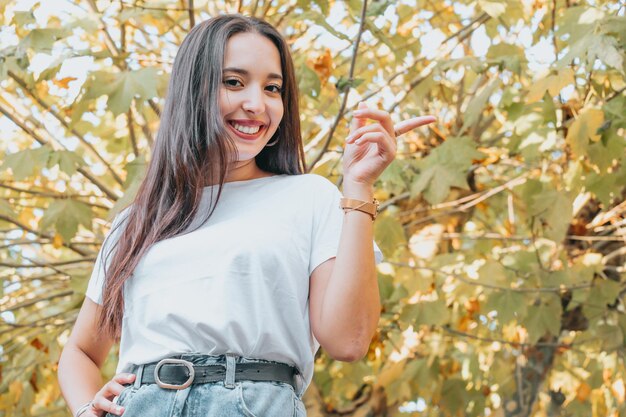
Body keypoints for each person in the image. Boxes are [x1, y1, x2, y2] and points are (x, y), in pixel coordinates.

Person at [57, 14, 435, 417]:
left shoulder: (310, 196)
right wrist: (86, 409)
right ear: (192, 90)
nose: (257, 104)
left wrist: (358, 187)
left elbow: (349, 341)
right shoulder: (135, 223)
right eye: (234, 82)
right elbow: (79, 351)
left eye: (273, 88)